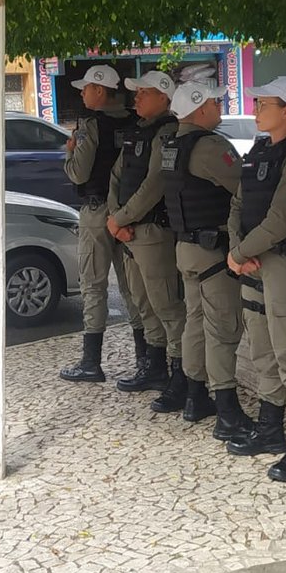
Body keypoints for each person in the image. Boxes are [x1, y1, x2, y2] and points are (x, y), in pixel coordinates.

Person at [222, 76, 286, 480]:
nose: (256, 110)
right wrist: (237, 249)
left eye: (264, 104)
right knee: (262, 348)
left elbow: (282, 219)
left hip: (282, 264)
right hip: (252, 262)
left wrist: (241, 253)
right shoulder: (259, 151)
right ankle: (270, 428)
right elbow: (238, 204)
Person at [159, 80, 253, 440]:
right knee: (222, 329)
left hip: (186, 248)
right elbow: (245, 186)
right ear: (200, 109)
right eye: (215, 103)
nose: (219, 108)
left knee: (195, 323)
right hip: (213, 250)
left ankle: (195, 396)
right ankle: (227, 413)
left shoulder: (172, 145)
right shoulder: (210, 147)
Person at [58, 65, 144, 383]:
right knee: (132, 287)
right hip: (130, 213)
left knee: (93, 285)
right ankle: (146, 360)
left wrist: (69, 155)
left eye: (86, 88)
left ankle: (91, 362)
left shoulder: (90, 125)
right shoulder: (135, 121)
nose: (82, 94)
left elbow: (79, 173)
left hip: (97, 213)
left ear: (99, 90)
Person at [106, 71, 188, 397]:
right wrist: (116, 217)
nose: (136, 98)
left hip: (152, 231)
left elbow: (155, 183)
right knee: (143, 303)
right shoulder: (139, 131)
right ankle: (154, 369)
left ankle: (181, 376)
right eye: (136, 92)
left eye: (144, 93)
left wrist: (120, 218)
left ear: (164, 97)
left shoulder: (167, 132)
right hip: (130, 232)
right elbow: (116, 176)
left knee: (166, 305)